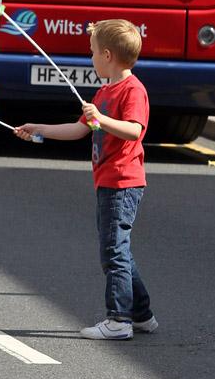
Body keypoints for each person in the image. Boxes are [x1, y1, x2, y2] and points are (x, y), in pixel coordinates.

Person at [14, 19, 157, 340]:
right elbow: (80, 129)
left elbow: (135, 130)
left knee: (114, 251)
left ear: (107, 55)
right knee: (119, 249)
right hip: (108, 180)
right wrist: (40, 128)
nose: (90, 58)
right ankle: (142, 314)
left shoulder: (133, 90)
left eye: (92, 52)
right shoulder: (105, 91)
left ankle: (119, 319)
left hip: (123, 181)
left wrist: (102, 118)